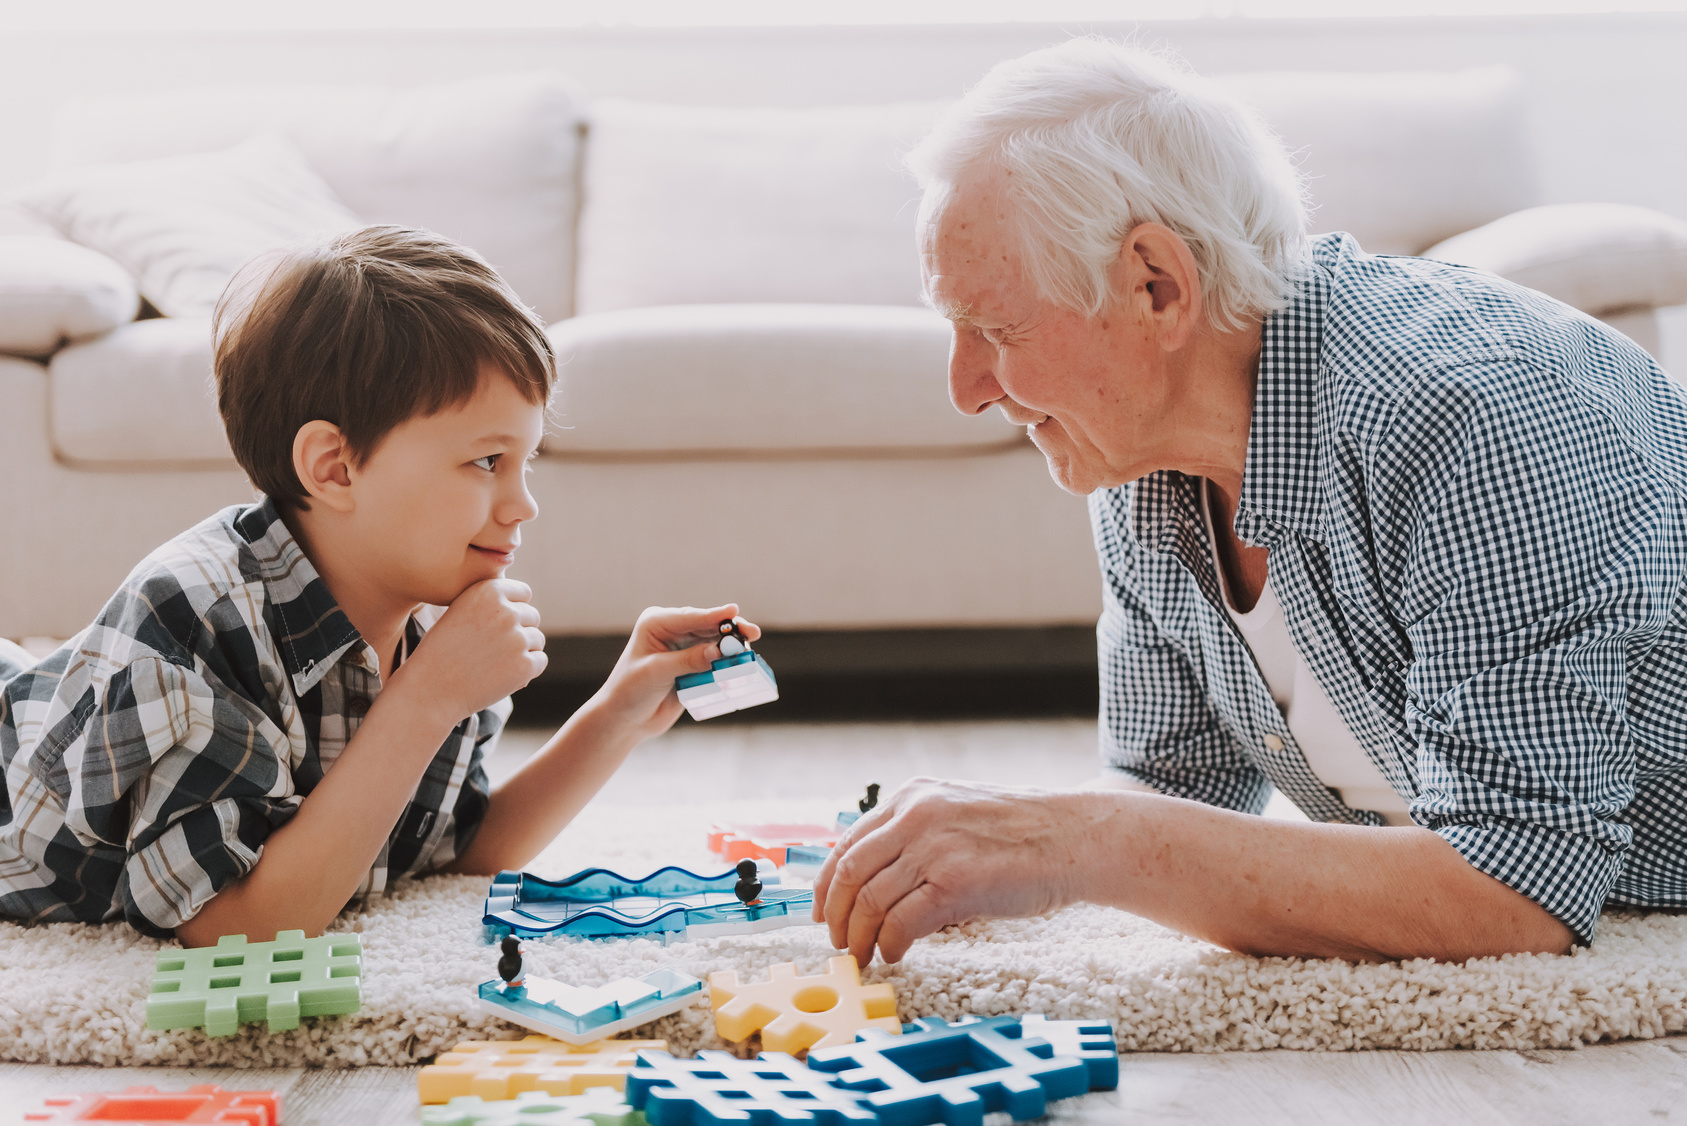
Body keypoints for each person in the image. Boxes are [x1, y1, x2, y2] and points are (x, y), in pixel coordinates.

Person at [814, 38, 1687, 965]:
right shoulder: (1138, 454)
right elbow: (1171, 790)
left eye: (997, 329)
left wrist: (1075, 838)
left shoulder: (1469, 416)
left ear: (1156, 286)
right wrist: (995, 844)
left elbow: (1518, 893)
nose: (965, 388)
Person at [0, 226, 757, 945]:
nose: (523, 504)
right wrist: (423, 700)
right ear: (335, 468)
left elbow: (452, 851)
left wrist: (617, 712)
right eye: (487, 461)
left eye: (526, 462)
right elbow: (230, 926)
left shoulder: (430, 619)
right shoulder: (195, 616)